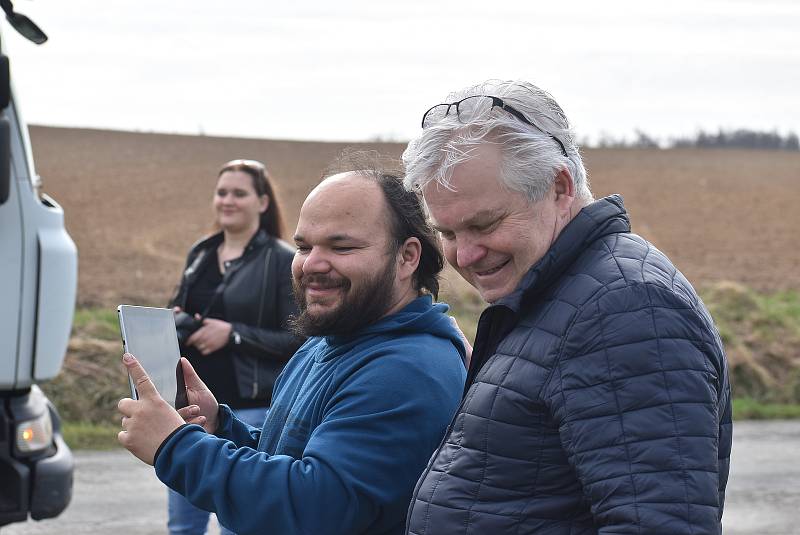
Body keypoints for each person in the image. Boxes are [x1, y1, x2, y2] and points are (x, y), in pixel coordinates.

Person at [401, 81, 732, 534]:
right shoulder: (555, 293)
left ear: (559, 187)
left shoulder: (626, 312)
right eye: (450, 233)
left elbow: (659, 523)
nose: (466, 255)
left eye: (485, 224)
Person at [118, 155, 467, 535]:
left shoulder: (406, 368)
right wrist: (220, 425)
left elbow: (314, 505)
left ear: (407, 257)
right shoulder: (329, 342)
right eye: (303, 246)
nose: (311, 264)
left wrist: (175, 446)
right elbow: (288, 456)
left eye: (341, 247)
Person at [166, 159, 304, 535]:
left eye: (239, 193)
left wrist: (234, 334)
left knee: (240, 526)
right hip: (191, 413)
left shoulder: (282, 261)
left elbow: (301, 339)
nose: (228, 200)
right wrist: (177, 322)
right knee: (183, 527)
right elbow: (175, 309)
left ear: (262, 202)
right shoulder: (200, 254)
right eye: (222, 192)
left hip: (251, 414)